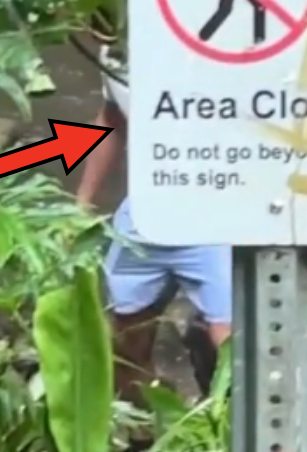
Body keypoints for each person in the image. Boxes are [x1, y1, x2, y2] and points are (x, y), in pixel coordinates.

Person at [76, 51, 232, 403]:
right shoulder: (113, 55)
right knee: (124, 335)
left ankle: (234, 430)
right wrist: (84, 201)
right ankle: (141, 428)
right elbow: (113, 120)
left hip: (216, 214)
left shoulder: (209, 47)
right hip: (146, 214)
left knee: (230, 341)